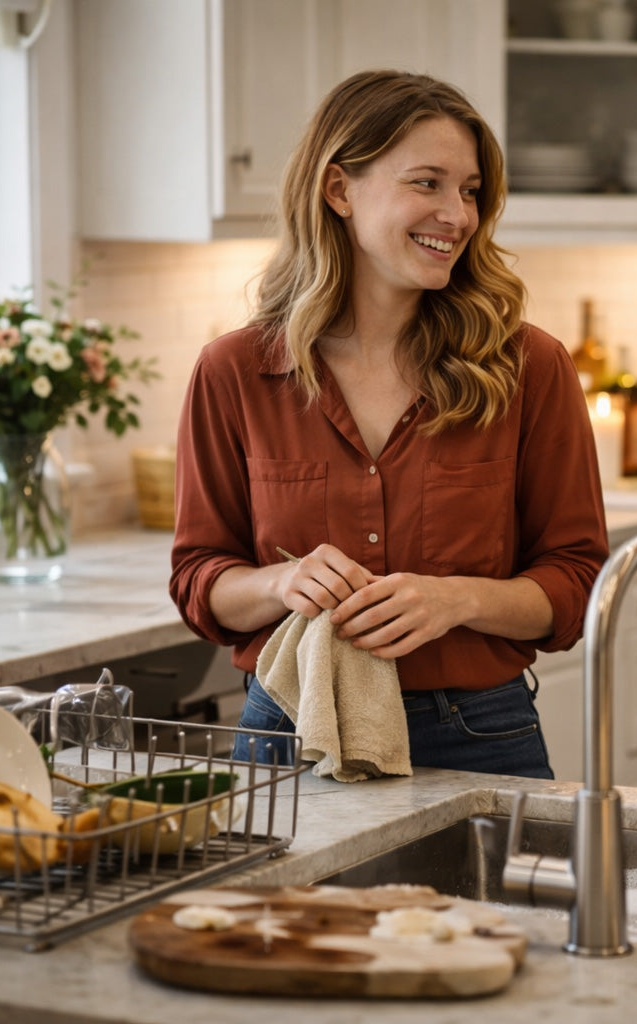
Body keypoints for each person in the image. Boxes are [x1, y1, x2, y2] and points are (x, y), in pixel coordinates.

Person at [169, 70, 608, 779]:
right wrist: (281, 586)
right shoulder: (234, 372)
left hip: (477, 737)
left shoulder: (530, 366)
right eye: (427, 183)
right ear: (339, 189)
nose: (458, 216)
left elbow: (578, 582)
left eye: (469, 191)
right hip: (288, 731)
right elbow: (199, 579)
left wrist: (457, 598)